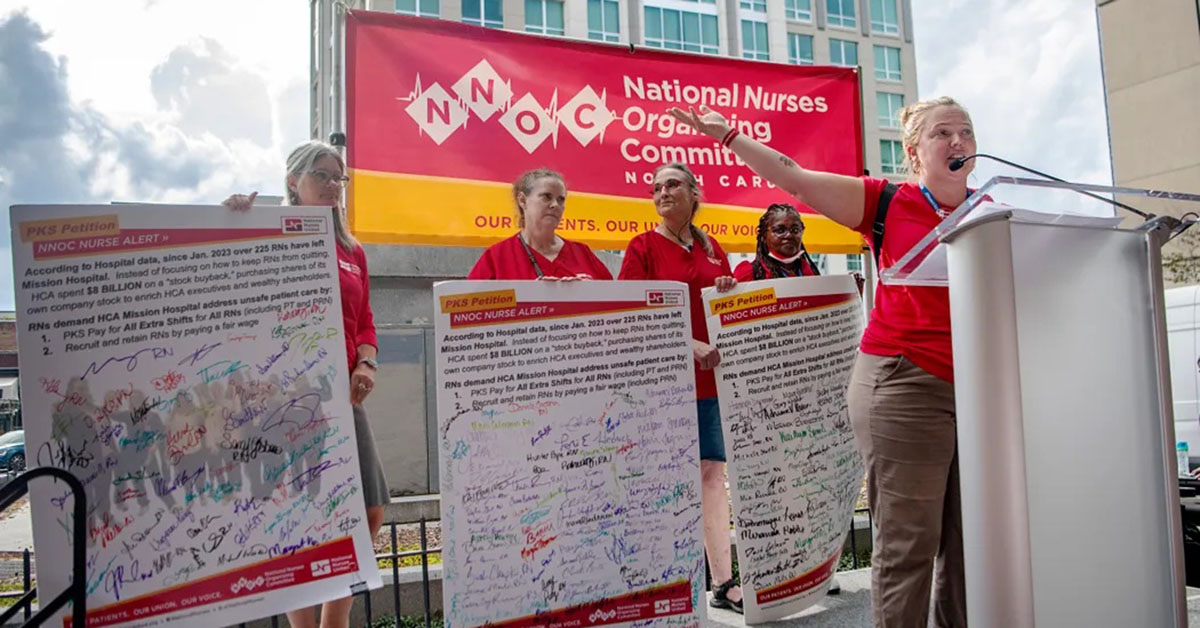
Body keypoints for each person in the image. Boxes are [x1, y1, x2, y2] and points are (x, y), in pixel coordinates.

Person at [669, 97, 975, 627]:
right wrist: (729, 136)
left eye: (966, 132)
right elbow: (797, 179)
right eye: (941, 133)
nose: (957, 142)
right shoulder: (887, 201)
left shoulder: (990, 210)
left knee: (968, 544)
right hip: (903, 384)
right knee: (909, 547)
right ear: (913, 150)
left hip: (977, 387)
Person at [224, 140, 389, 628]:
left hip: (341, 396)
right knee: (297, 517)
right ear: (293, 181)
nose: (335, 186)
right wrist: (234, 219)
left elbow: (365, 321)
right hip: (280, 398)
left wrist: (367, 362)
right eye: (323, 175)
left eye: (340, 177)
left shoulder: (351, 249)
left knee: (371, 510)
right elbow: (220, 272)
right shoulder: (266, 233)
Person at [617, 162, 744, 612]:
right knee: (665, 482)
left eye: (672, 184)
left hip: (711, 382)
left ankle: (724, 583)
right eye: (655, 187)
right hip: (661, 386)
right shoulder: (642, 247)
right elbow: (632, 313)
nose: (662, 192)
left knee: (712, 475)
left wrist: (726, 289)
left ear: (695, 192)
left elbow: (720, 307)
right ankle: (666, 584)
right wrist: (686, 342)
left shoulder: (714, 249)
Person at [468, 169, 612, 280]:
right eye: (546, 197)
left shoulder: (583, 254)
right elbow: (467, 310)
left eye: (561, 200)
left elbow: (615, 304)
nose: (555, 205)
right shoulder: (496, 257)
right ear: (523, 200)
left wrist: (586, 292)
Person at [732, 203, 820, 281]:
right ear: (764, 236)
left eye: (795, 230)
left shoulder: (812, 272)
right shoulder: (749, 273)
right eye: (780, 230)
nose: (789, 235)